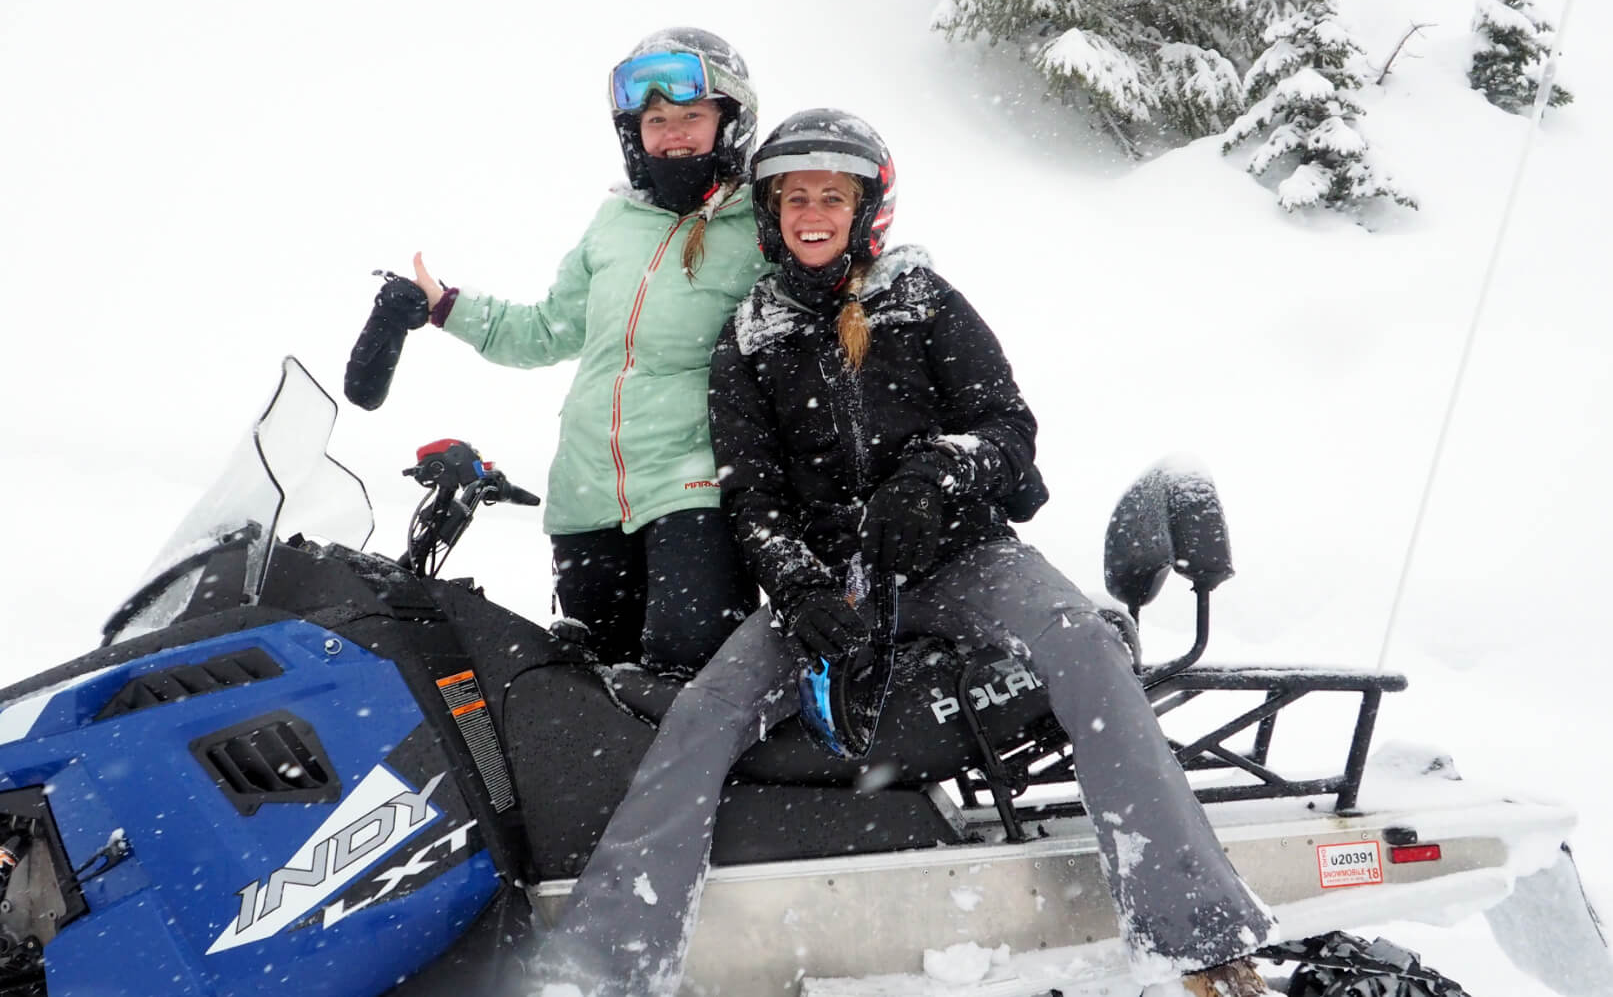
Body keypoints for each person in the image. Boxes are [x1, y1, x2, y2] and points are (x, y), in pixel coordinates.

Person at [530, 109, 1273, 997]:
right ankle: (602, 965)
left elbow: (1008, 430)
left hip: (965, 558)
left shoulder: (923, 299)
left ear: (863, 209)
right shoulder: (750, 334)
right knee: (704, 713)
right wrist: (799, 586)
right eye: (795, 197)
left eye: (830, 198)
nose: (812, 213)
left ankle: (1201, 935)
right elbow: (751, 494)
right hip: (830, 583)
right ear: (771, 214)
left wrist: (936, 480)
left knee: (1083, 639)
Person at [378, 27, 770, 675]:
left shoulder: (761, 226)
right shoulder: (614, 223)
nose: (673, 133)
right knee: (594, 702)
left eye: (691, 117)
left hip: (695, 491)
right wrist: (446, 304)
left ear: (729, 121)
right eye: (656, 119)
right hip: (587, 497)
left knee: (689, 683)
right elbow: (547, 330)